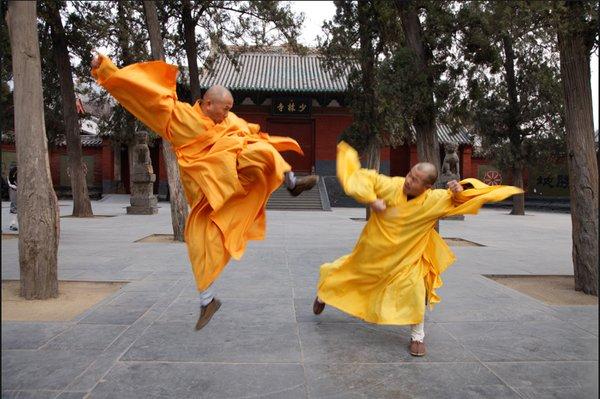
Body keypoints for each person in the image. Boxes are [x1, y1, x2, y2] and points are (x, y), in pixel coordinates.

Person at [91, 54, 318, 330]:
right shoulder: (179, 117)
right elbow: (142, 95)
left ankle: (292, 183)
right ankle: (207, 300)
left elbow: (253, 133)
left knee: (260, 148)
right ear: (208, 104)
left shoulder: (230, 122)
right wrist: (105, 69)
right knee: (198, 242)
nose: (228, 113)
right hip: (204, 191)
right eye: (225, 108)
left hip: (234, 178)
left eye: (230, 109)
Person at [313, 141, 523, 356]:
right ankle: (323, 294)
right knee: (347, 274)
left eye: (415, 180)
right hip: (373, 250)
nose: (408, 181)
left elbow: (464, 201)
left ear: (427, 187)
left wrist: (460, 191)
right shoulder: (392, 185)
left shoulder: (434, 200)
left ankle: (417, 336)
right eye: (410, 175)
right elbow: (361, 177)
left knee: (416, 289)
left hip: (407, 258)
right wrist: (371, 199)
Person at [7, 164, 17, 231]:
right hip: (14, 190)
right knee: (14, 206)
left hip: (18, 189)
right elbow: (10, 183)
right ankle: (12, 224)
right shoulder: (12, 171)